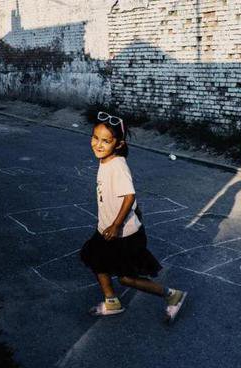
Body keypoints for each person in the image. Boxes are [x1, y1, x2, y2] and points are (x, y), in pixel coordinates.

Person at [80, 111, 187, 323]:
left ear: (118, 144)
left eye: (106, 141)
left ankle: (173, 295)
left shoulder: (118, 166)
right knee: (95, 258)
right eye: (95, 138)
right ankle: (112, 301)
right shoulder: (105, 160)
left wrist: (116, 224)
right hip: (106, 230)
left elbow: (129, 196)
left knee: (127, 278)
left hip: (124, 235)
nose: (98, 145)